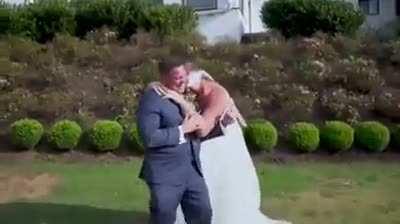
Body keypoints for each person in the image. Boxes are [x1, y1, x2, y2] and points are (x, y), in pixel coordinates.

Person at [152, 66, 292, 224]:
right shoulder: (201, 93)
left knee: (217, 183)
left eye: (187, 84)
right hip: (212, 143)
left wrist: (181, 103)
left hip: (222, 146)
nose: (185, 89)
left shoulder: (218, 95)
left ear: (197, 78)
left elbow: (203, 129)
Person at [136, 57, 212, 224]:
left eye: (184, 76)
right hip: (165, 174)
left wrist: (184, 105)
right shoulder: (151, 99)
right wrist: (182, 130)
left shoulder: (184, 96)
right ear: (164, 77)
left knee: (203, 214)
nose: (183, 81)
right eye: (178, 77)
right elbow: (149, 137)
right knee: (164, 218)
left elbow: (201, 126)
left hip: (192, 172)